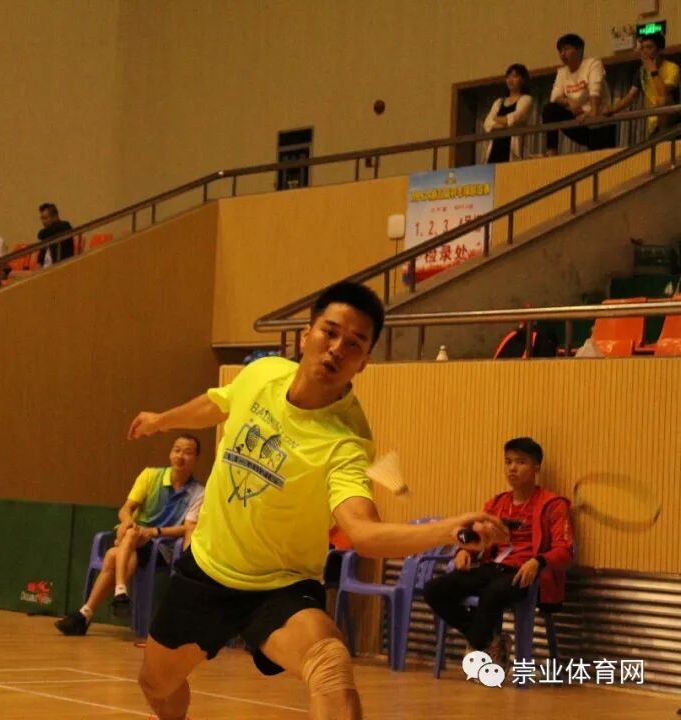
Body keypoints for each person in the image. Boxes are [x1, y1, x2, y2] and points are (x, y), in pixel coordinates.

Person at [124, 281, 509, 720]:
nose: (337, 349)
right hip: (208, 570)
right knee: (155, 684)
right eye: (330, 332)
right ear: (307, 335)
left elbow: (363, 533)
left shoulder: (346, 442)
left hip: (279, 587)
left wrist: (447, 530)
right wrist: (161, 420)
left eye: (355, 343)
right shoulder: (262, 373)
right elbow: (218, 404)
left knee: (329, 665)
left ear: (364, 362)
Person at [424, 437, 573, 665]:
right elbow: (476, 536)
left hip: (525, 574)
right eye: (508, 462)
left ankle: (479, 645)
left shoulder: (553, 504)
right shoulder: (496, 504)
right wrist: (465, 552)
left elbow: (565, 550)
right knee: (435, 589)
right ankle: (489, 640)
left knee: (492, 594)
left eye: (521, 462)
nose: (512, 468)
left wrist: (537, 561)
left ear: (536, 467)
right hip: (493, 567)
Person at [55, 435, 204, 636]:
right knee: (131, 535)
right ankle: (105, 601)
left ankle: (92, 610)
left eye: (187, 452)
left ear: (196, 458)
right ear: (170, 454)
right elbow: (126, 509)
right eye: (176, 450)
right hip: (133, 538)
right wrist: (128, 522)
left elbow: (188, 528)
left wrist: (155, 532)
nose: (180, 456)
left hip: (161, 547)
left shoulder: (198, 492)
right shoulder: (150, 476)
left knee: (113, 556)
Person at [542, 33, 617, 154]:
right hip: (580, 121)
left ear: (579, 50)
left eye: (566, 49)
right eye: (560, 51)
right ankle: (551, 152)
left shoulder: (593, 63)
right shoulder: (562, 72)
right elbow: (554, 98)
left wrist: (593, 112)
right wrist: (569, 102)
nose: (562, 54)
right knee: (549, 109)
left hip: (601, 123)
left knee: (601, 157)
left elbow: (595, 89)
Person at [605, 32, 680, 136]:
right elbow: (631, 96)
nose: (644, 51)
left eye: (649, 47)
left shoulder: (672, 68)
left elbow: (663, 93)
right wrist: (613, 109)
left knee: (662, 100)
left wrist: (653, 70)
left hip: (672, 120)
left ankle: (663, 135)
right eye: (642, 48)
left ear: (660, 50)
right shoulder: (642, 71)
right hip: (653, 122)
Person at [484, 63, 534, 163]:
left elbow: (515, 118)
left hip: (512, 151)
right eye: (508, 77)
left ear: (522, 80)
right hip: (494, 150)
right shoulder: (499, 102)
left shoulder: (526, 99)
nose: (510, 80)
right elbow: (487, 124)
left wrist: (497, 120)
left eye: (514, 76)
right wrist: (506, 124)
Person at [36, 203, 74, 267]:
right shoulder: (47, 235)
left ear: (55, 217)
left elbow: (41, 234)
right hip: (44, 269)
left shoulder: (65, 226)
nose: (43, 222)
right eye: (42, 218)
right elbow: (40, 260)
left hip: (59, 267)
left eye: (45, 218)